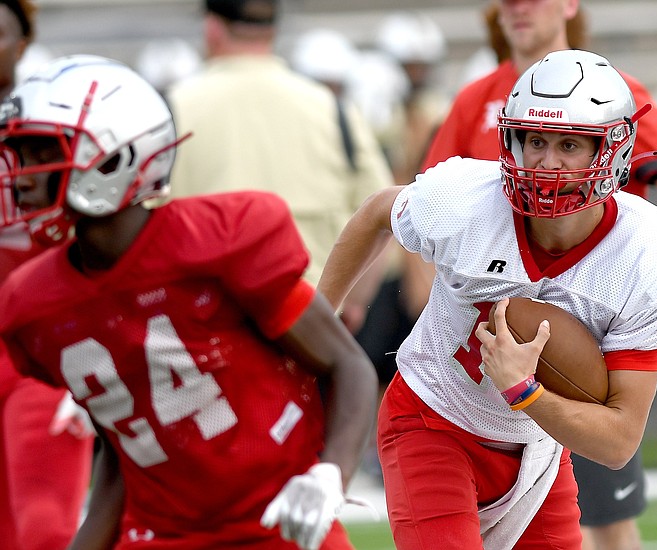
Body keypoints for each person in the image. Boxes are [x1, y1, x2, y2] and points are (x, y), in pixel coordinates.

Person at [318, 48, 657, 550]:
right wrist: (312, 326)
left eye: (569, 145)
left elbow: (618, 441)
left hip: (537, 447)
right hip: (433, 419)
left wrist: (525, 391)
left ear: (612, 149)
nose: (546, 162)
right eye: (535, 140)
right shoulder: (467, 199)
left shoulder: (649, 255)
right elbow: (377, 212)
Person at [0, 54, 378, 550]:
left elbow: (347, 365)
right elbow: (127, 442)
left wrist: (330, 474)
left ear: (112, 156)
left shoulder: (218, 241)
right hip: (160, 533)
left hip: (279, 519)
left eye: (39, 152)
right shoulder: (37, 302)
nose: (21, 175)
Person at [420, 2, 657, 549]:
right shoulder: (476, 99)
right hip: (486, 354)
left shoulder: (612, 92)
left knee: (604, 522)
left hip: (577, 344)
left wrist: (630, 290)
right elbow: (426, 212)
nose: (517, 8)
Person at [167, 0, 393, 300]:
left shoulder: (171, 109)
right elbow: (384, 213)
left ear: (212, 28)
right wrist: (350, 302)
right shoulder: (332, 108)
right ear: (273, 30)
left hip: (206, 323)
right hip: (311, 322)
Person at [0, 2, 94, 549]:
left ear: (22, 41)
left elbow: (102, 240)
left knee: (44, 529)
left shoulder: (53, 128)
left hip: (43, 349)